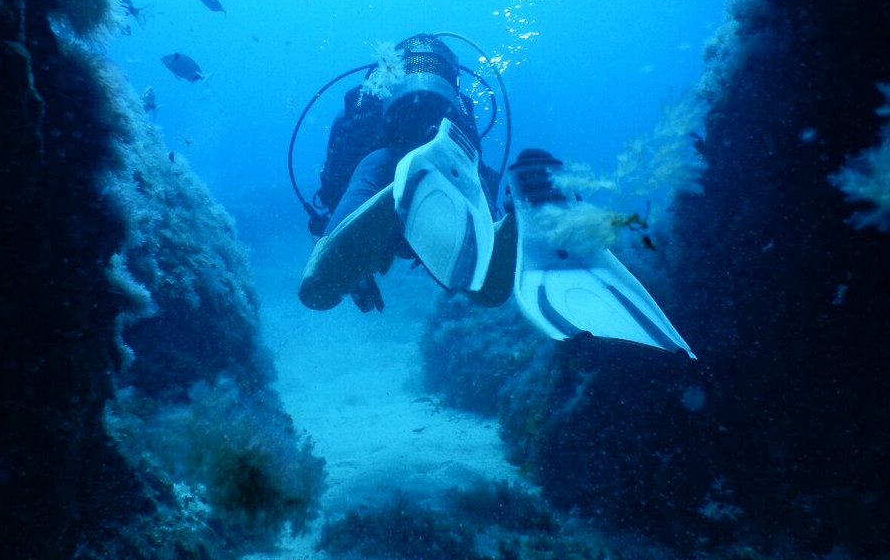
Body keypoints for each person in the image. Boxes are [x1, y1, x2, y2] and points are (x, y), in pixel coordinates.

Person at [295, 33, 693, 355]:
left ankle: (421, 193)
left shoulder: (384, 161)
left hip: (394, 187)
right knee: (479, 276)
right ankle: (509, 212)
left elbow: (318, 290)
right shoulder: (450, 160)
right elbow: (488, 291)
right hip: (433, 174)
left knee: (321, 288)